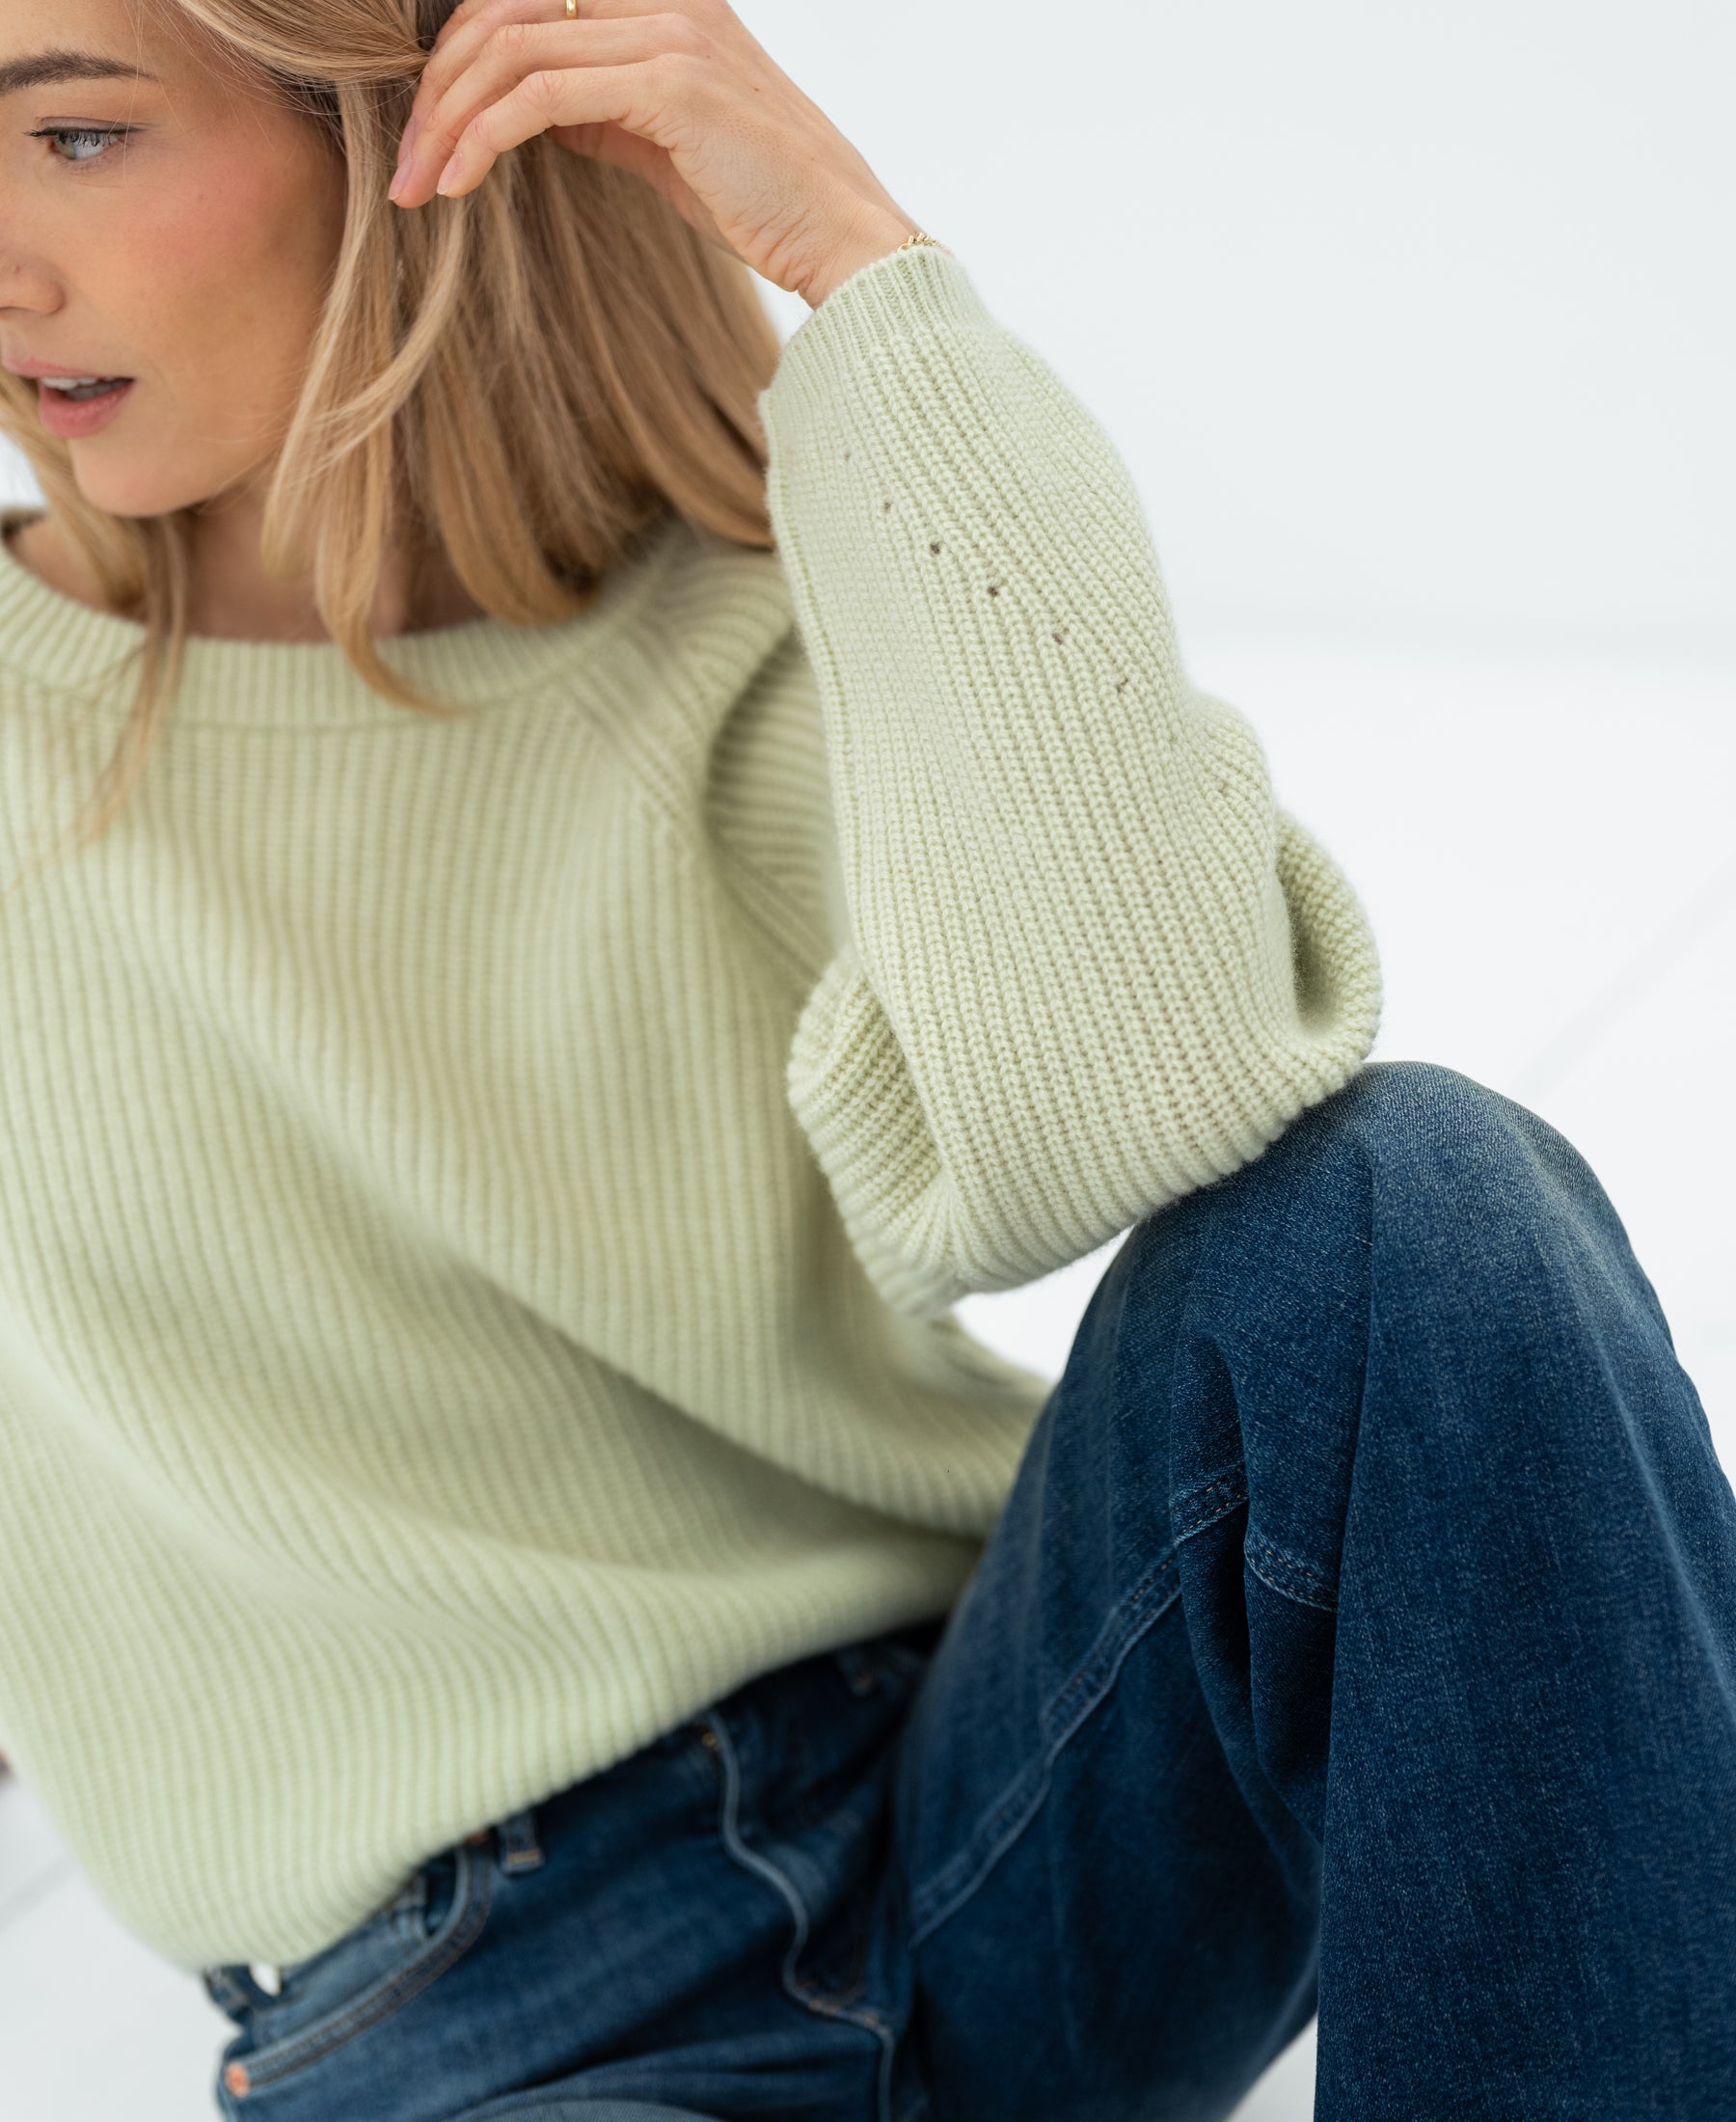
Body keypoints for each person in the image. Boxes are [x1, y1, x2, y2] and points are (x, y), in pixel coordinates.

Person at [0, 1, 1731, 2117]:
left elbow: (1173, 1091)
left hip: (1005, 1792)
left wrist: (865, 276)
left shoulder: (740, 645)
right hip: (477, 2011)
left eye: (74, 135)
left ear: (414, 132)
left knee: (1421, 1199)